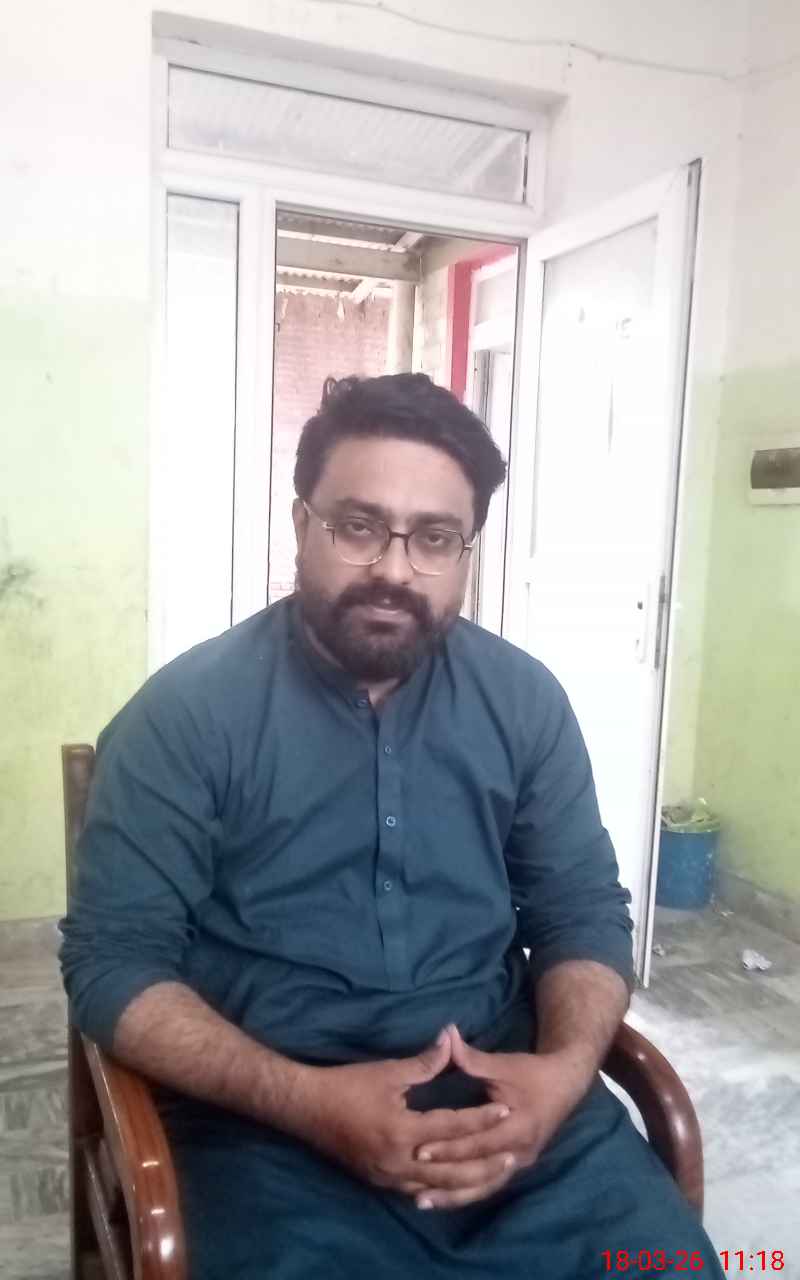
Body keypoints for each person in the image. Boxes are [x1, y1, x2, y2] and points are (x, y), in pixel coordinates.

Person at [60, 373, 723, 1279]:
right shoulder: (184, 717)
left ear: (466, 551)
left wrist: (563, 1077)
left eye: (435, 538)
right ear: (302, 524)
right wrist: (306, 1101)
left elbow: (581, 913)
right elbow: (113, 963)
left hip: (513, 1118)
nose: (395, 570)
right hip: (263, 1131)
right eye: (358, 526)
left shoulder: (524, 703)